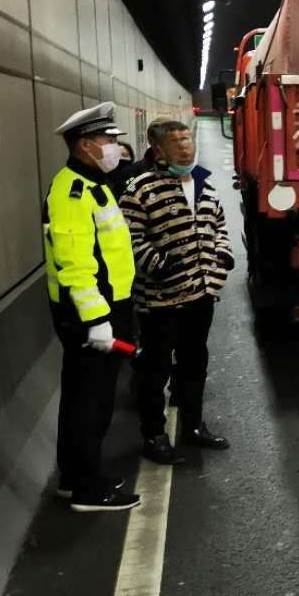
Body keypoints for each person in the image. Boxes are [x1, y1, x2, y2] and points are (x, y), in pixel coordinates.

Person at [43, 102, 141, 513]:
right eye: (108, 141)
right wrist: (97, 320)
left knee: (82, 396)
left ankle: (74, 477)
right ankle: (89, 490)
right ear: (85, 145)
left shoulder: (94, 184)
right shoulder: (72, 192)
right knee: (91, 402)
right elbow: (76, 262)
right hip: (92, 316)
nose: (116, 147)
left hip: (106, 307)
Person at [121, 119, 233, 464]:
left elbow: (219, 226)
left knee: (194, 362)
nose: (186, 148)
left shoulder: (203, 184)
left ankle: (193, 425)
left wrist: (222, 258)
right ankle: (153, 435)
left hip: (201, 295)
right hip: (160, 299)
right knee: (155, 370)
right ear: (158, 150)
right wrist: (161, 264)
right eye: (177, 143)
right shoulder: (140, 189)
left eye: (188, 140)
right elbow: (129, 239)